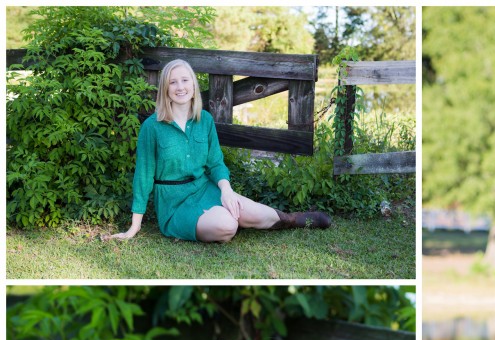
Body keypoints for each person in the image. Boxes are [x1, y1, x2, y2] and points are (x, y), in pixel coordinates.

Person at [103, 59, 331, 243]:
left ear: (193, 85)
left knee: (262, 215)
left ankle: (293, 219)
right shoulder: (152, 127)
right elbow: (143, 177)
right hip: (174, 203)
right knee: (227, 225)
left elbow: (215, 163)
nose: (180, 87)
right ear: (165, 88)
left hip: (205, 189)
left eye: (185, 80)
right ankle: (217, 222)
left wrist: (226, 190)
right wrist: (135, 225)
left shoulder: (205, 121)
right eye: (173, 82)